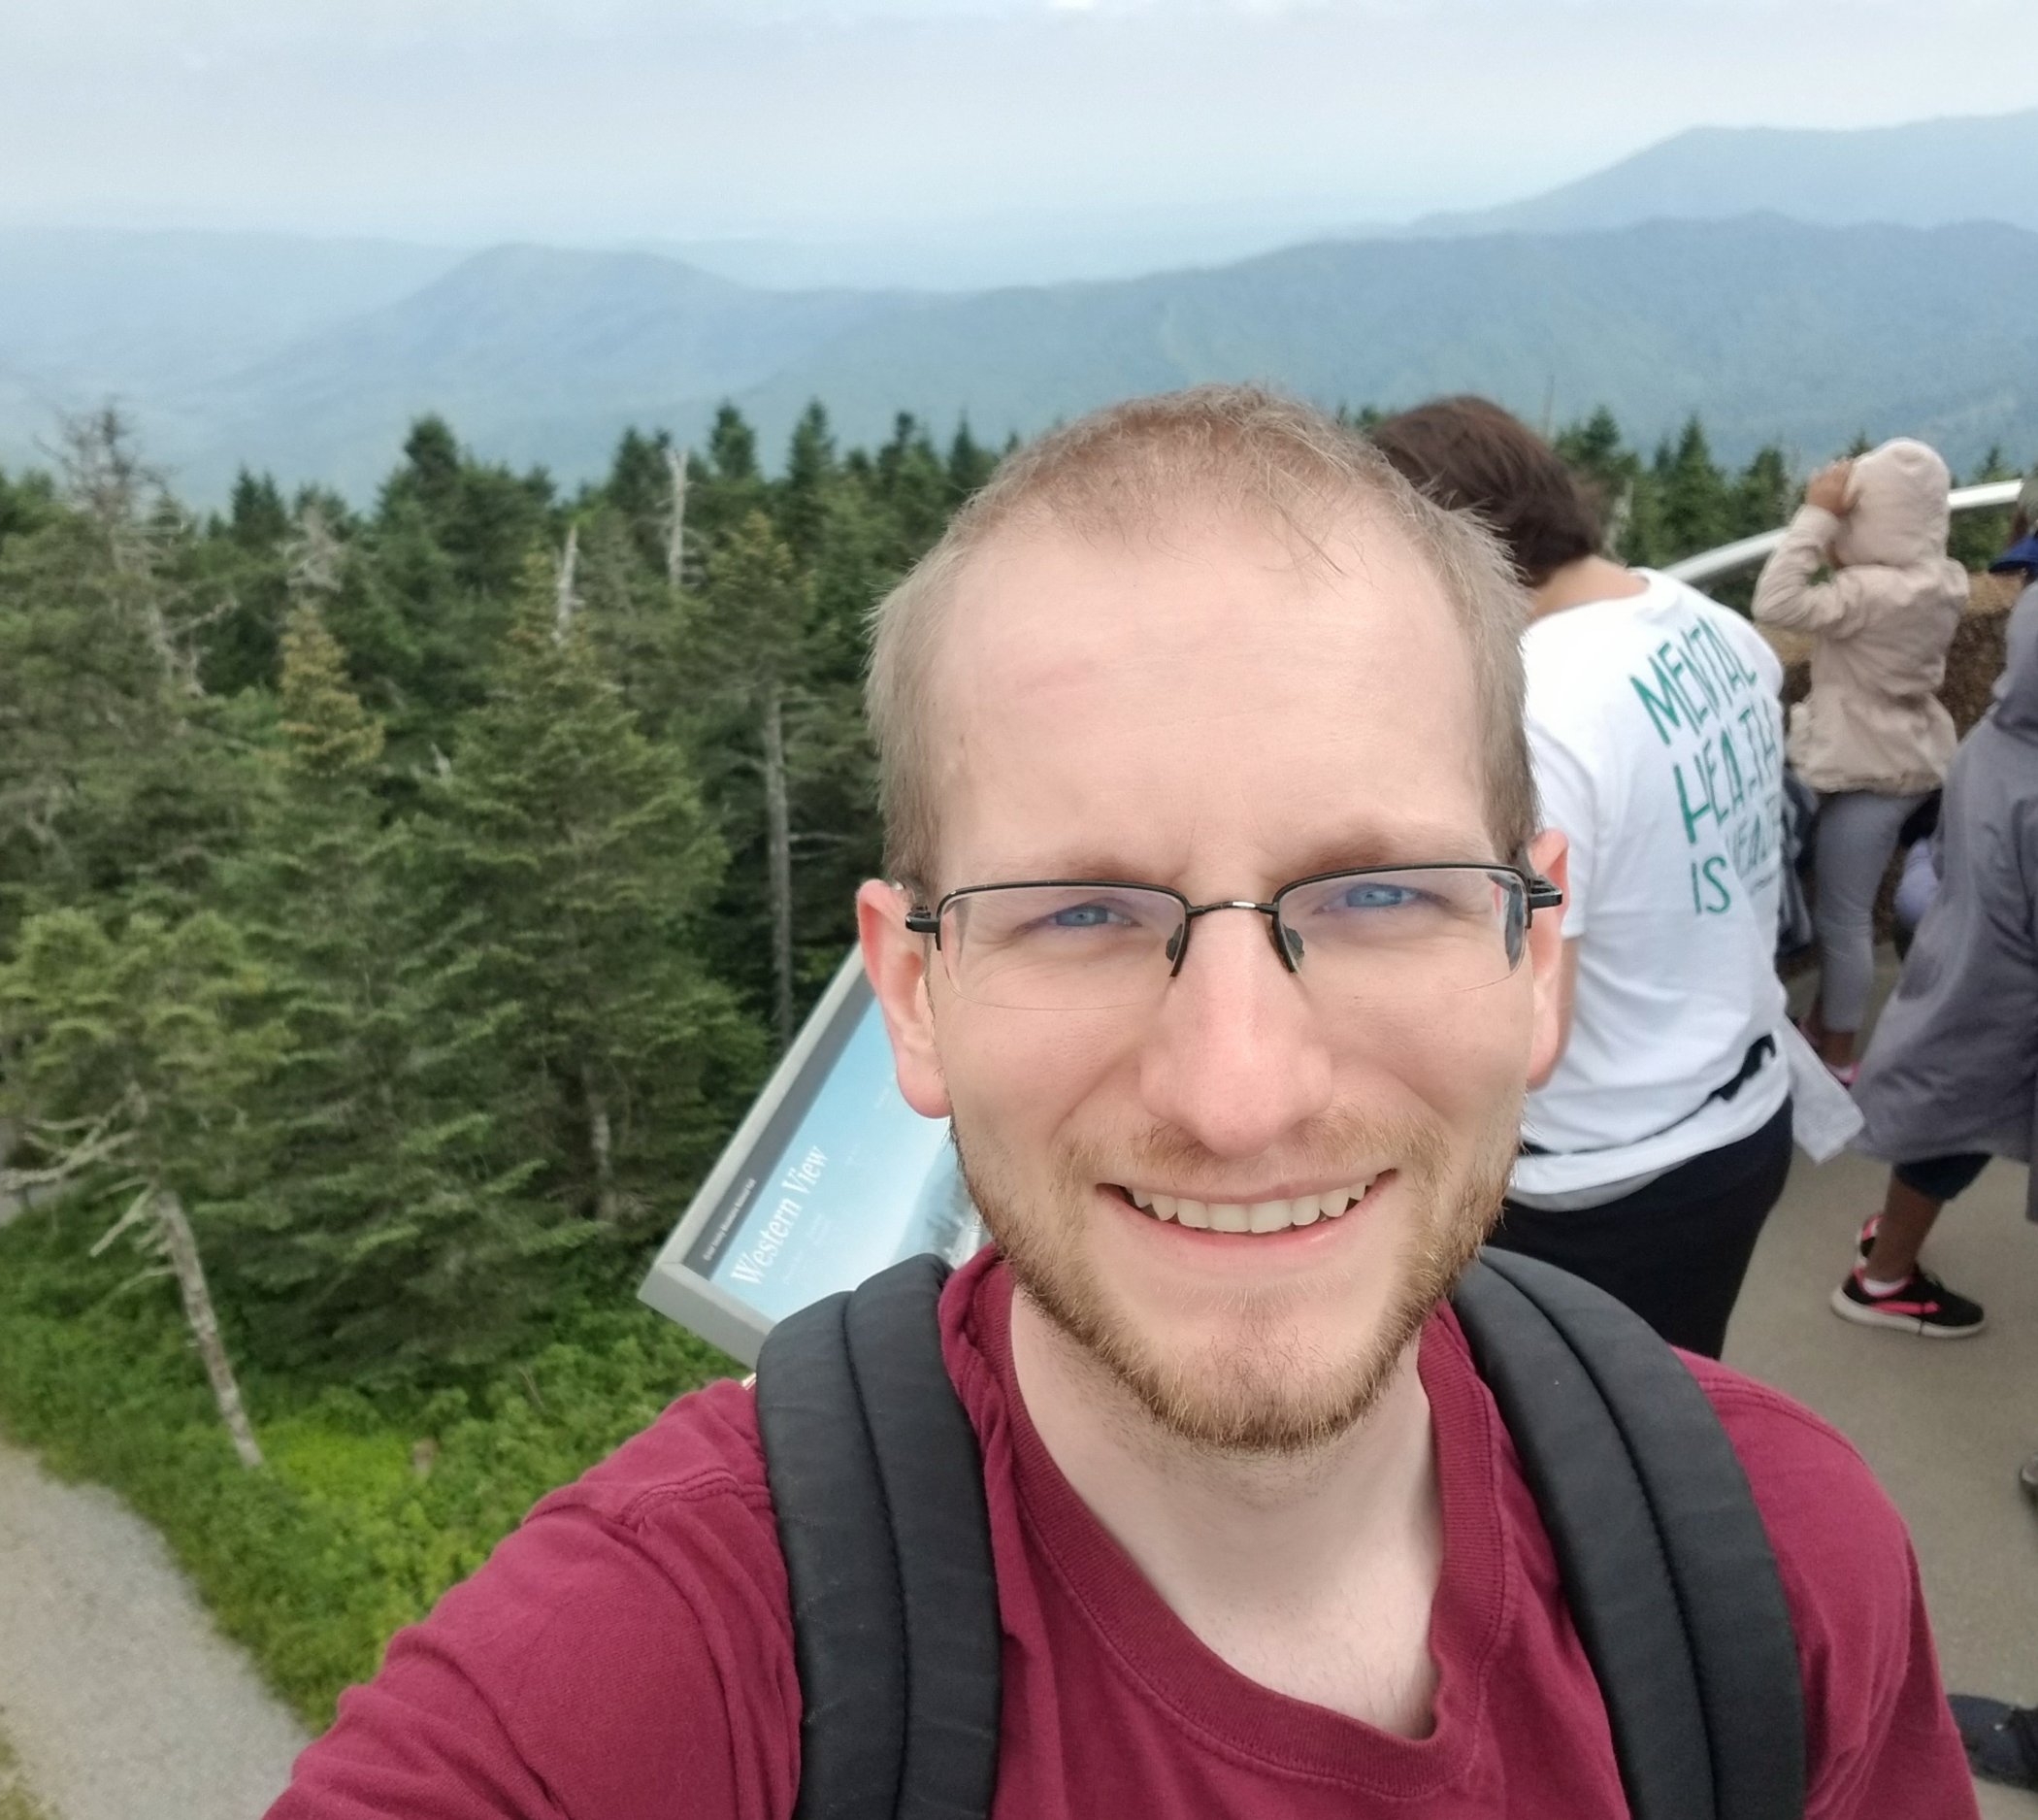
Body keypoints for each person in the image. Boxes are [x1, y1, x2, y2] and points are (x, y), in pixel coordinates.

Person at [266, 386, 1968, 1818]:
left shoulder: (1783, 1571)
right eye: (1081, 913)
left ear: (1537, 952)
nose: (1240, 1095)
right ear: (914, 988)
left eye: (1375, 895)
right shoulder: (656, 1673)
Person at [1371, 396, 1791, 1358]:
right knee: (1671, 1413)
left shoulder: (1536, 707)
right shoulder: (1700, 621)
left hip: (1600, 1179)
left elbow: (1526, 1020)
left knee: (1570, 1458)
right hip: (1735, 1110)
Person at [1827, 583, 2038, 1338]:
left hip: (1959, 961)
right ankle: (1883, 1278)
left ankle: (1888, 1249)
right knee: (1952, 1136)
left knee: (1942, 1126)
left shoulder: (2000, 734)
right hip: (2004, 1006)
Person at [1755, 439, 1967, 1082]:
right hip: (1910, 754)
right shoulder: (1944, 580)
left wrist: (1816, 516)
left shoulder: (1868, 593)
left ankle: (1839, 1055)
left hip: (1866, 769)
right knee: (1847, 907)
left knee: (1842, 918)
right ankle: (1824, 1024)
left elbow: (1776, 601)